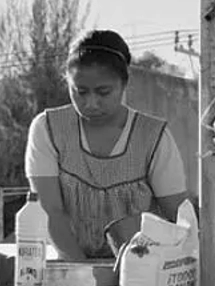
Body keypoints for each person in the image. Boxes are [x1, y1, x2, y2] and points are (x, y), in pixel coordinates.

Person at [25, 29, 191, 262]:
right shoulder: (48, 129)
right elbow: (51, 211)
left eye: (103, 92)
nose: (91, 103)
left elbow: (178, 216)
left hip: (143, 270)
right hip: (72, 265)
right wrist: (84, 274)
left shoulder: (153, 137)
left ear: (124, 84)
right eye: (80, 92)